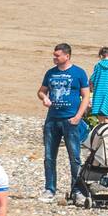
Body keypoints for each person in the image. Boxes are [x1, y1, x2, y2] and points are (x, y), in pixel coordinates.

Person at [38, 43, 90, 204]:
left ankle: (77, 191)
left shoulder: (79, 73)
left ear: (67, 56)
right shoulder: (50, 73)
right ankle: (50, 189)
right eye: (54, 55)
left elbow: (86, 97)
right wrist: (44, 98)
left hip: (71, 120)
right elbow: (41, 90)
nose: (54, 58)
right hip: (52, 120)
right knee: (49, 156)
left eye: (57, 55)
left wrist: (78, 117)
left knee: (74, 157)